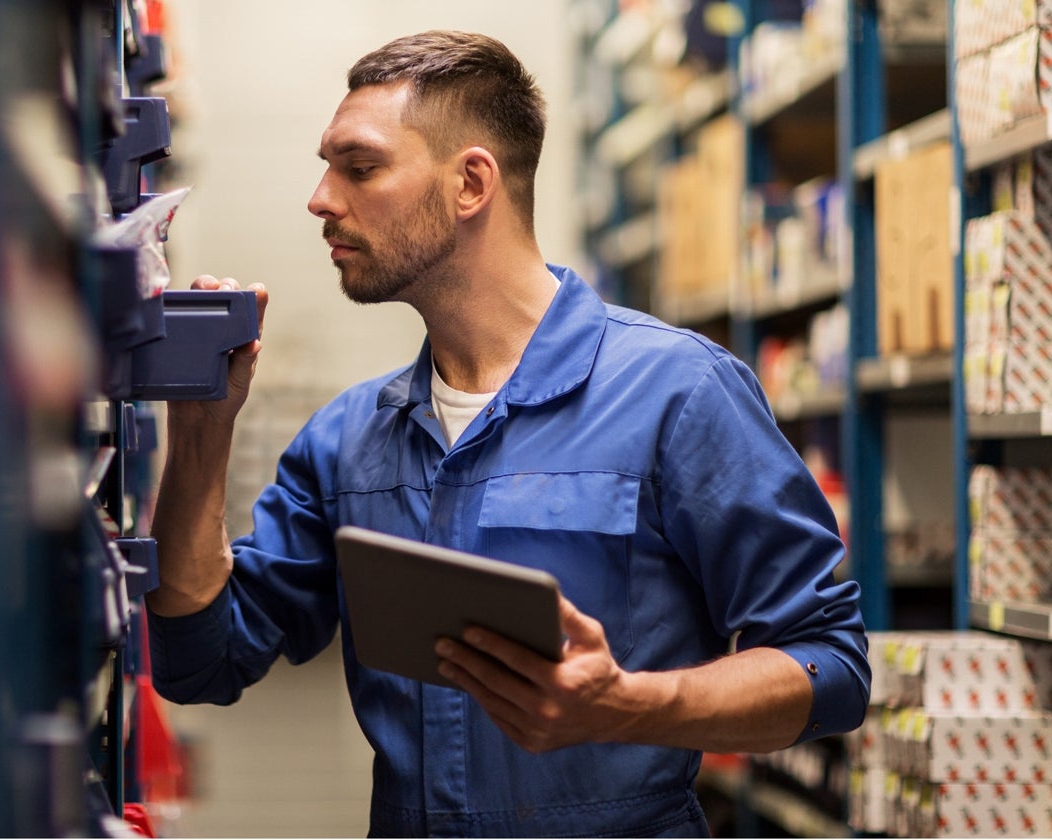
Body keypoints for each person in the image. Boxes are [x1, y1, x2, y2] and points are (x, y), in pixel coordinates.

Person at [146, 30, 870, 838]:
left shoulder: (678, 395)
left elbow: (830, 668)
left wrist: (630, 706)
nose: (320, 198)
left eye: (359, 166)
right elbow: (196, 661)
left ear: (471, 183)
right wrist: (202, 434)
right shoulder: (348, 441)